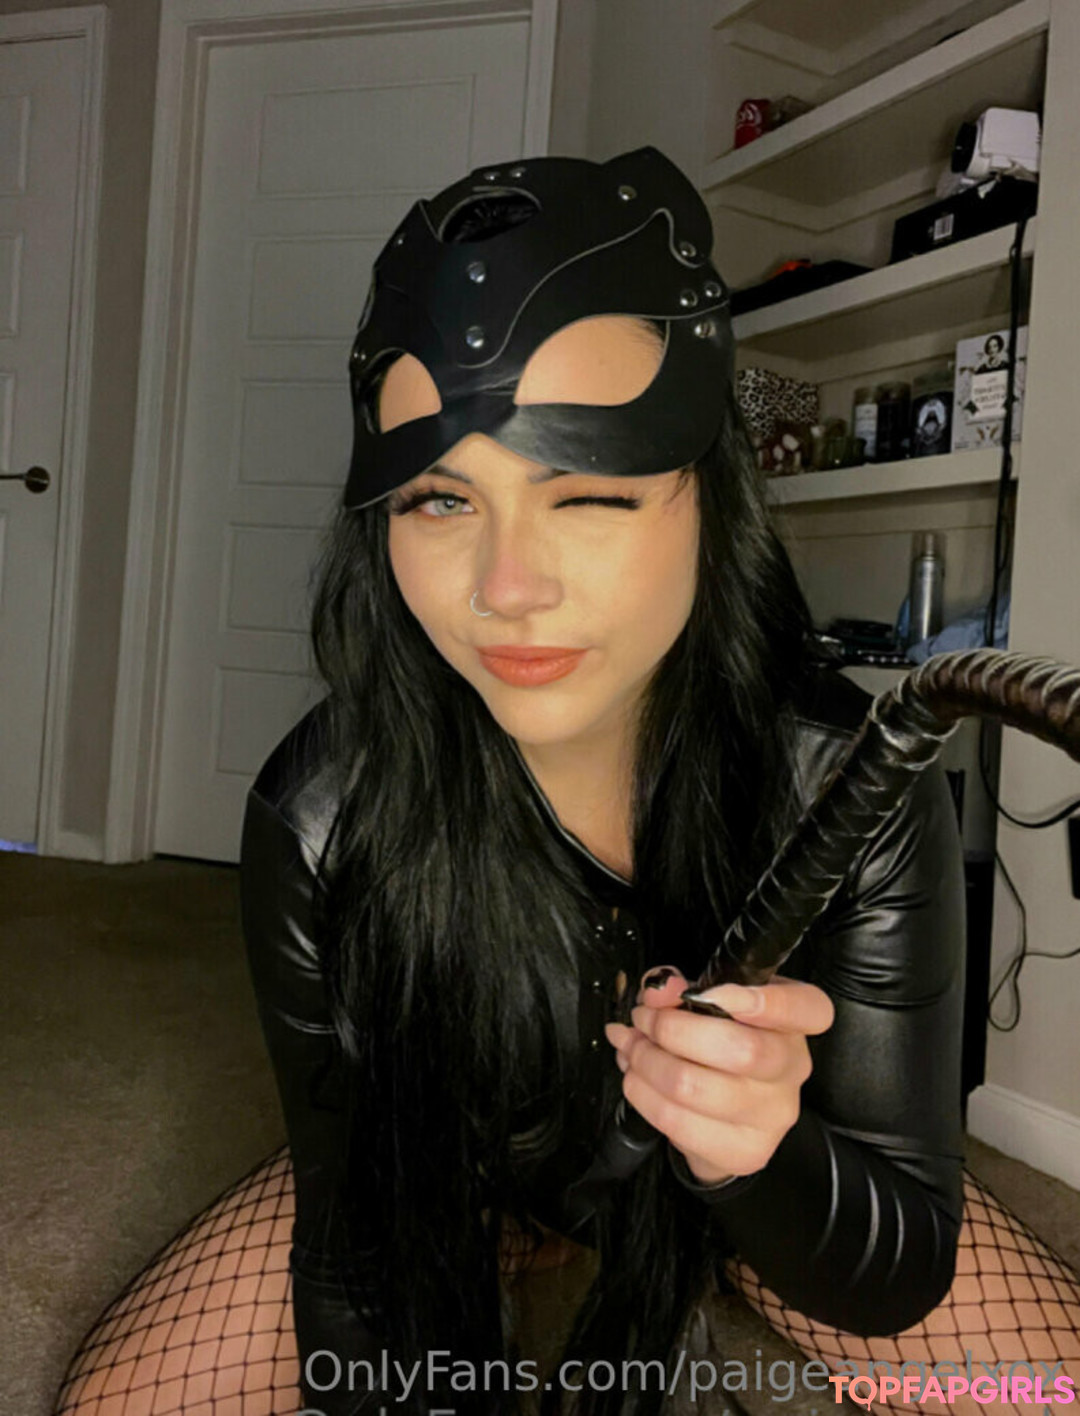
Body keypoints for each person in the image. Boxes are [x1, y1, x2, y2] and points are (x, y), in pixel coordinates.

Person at [53, 148, 1080, 1416]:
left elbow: (894, 1265)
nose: (507, 589)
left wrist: (760, 1157)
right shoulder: (323, 817)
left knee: (1051, 1388)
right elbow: (358, 1257)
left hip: (749, 1174)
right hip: (457, 1169)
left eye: (588, 494)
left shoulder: (850, 791)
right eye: (440, 502)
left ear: (709, 497)